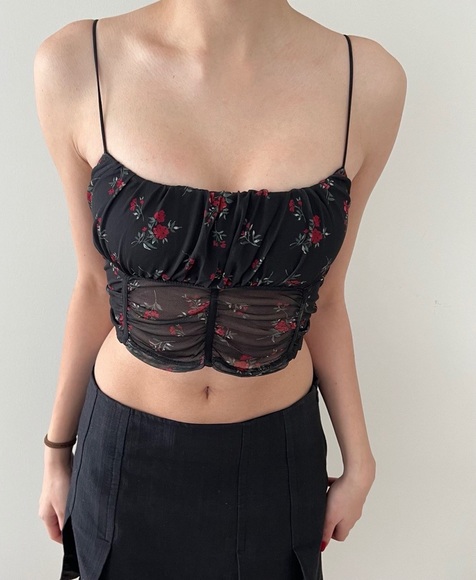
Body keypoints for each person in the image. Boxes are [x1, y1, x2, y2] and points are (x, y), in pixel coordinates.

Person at [35, 2, 406, 579]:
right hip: (123, 457)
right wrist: (57, 454)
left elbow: (328, 300)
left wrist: (360, 461)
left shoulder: (369, 80)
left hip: (275, 461)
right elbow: (90, 286)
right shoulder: (77, 62)